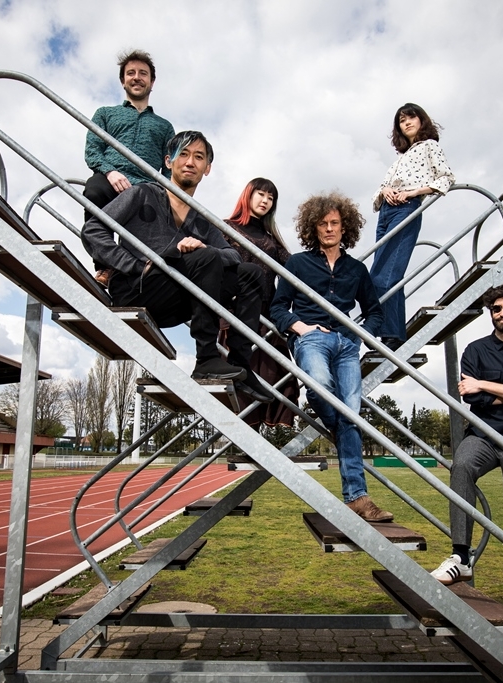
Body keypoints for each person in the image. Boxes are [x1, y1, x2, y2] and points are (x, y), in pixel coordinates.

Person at [82, 130, 271, 403]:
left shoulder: (202, 219)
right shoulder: (142, 193)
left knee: (250, 274)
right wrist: (135, 265)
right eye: (183, 154)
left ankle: (241, 364)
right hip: (137, 288)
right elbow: (93, 230)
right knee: (204, 259)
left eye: (198, 157)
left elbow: (234, 257)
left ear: (207, 169)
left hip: (175, 299)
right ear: (169, 161)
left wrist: (204, 247)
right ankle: (206, 357)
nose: (190, 162)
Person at [431, 283, 503, 650]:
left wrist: (486, 385)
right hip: (484, 436)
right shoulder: (475, 349)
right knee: (461, 465)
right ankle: (461, 555)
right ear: (491, 312)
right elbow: (473, 399)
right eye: (497, 308)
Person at [270, 192, 391, 522]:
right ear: (314, 228)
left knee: (351, 414)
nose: (329, 229)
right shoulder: (297, 263)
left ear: (345, 227)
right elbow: (278, 307)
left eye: (335, 223)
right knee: (323, 388)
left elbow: (375, 312)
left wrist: (356, 334)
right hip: (312, 340)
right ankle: (346, 436)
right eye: (322, 224)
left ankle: (358, 498)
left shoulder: (357, 269)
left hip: (347, 344)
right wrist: (301, 328)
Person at [83, 50, 175, 286]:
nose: (137, 77)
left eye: (143, 73)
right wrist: (110, 171)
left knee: (153, 226)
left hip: (145, 187)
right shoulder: (105, 114)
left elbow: (170, 167)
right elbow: (93, 150)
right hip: (109, 176)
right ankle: (105, 266)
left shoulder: (164, 126)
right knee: (93, 191)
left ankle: (135, 279)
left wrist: (160, 189)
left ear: (152, 82)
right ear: (123, 80)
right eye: (130, 73)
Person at [370, 103, 454, 350]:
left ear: (421, 120)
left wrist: (414, 192)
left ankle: (392, 335)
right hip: (385, 211)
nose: (406, 123)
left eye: (410, 118)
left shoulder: (430, 146)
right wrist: (385, 190)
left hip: (406, 208)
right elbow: (381, 188)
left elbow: (446, 177)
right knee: (382, 270)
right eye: (401, 120)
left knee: (385, 275)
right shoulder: (400, 159)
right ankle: (392, 332)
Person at [221, 178, 300, 425]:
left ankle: (262, 447)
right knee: (241, 380)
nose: (265, 201)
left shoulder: (271, 240)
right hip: (237, 315)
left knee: (275, 377)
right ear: (248, 195)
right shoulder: (225, 228)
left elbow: (296, 268)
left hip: (267, 319)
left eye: (271, 197)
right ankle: (244, 441)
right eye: (261, 194)